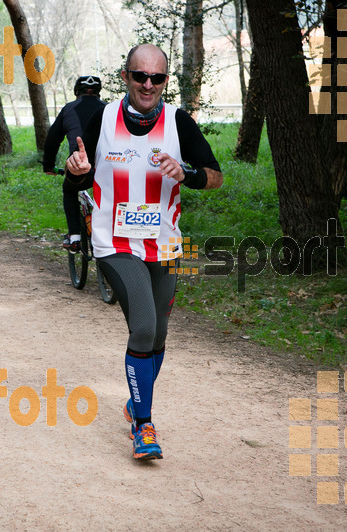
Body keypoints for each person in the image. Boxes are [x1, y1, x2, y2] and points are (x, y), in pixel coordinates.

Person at [67, 44, 223, 460]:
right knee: (143, 326)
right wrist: (75, 170)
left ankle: (136, 403)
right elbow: (78, 173)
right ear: (126, 77)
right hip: (115, 243)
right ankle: (144, 425)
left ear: (166, 81)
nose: (148, 85)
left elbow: (215, 177)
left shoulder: (179, 123)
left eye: (157, 78)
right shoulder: (101, 117)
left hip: (164, 244)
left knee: (158, 336)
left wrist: (186, 173)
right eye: (140, 76)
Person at [42, 75, 106, 252]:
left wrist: (48, 166)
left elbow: (52, 140)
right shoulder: (110, 110)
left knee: (69, 189)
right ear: (98, 93)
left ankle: (75, 237)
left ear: (76, 92)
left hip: (79, 170)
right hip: (110, 169)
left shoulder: (69, 109)